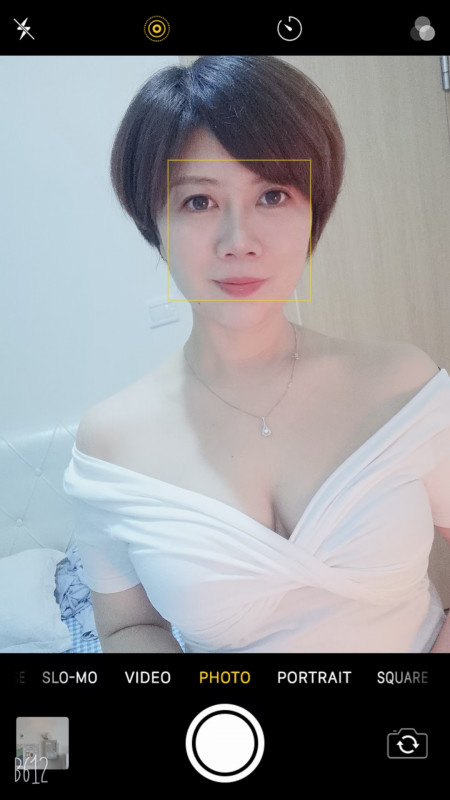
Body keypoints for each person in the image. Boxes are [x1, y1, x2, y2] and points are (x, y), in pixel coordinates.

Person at [63, 55, 450, 653]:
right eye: (198, 202)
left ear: (313, 213)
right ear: (154, 223)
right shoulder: (108, 444)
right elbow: (126, 624)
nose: (238, 241)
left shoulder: (406, 385)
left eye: (272, 195)